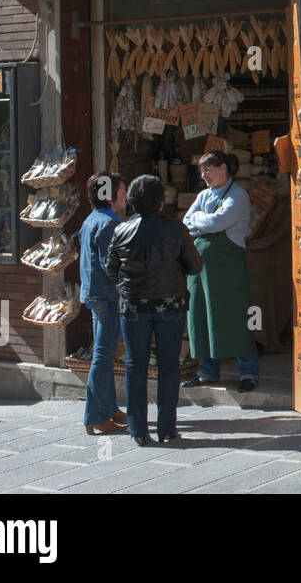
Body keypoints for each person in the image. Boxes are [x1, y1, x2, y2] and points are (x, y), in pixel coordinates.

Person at [106, 175, 203, 446]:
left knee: (135, 365)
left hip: (134, 304)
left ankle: (138, 429)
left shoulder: (121, 231)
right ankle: (167, 428)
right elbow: (195, 267)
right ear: (161, 202)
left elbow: (110, 269)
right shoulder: (176, 230)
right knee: (169, 366)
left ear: (133, 202)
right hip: (170, 305)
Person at [182, 150, 259, 392]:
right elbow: (186, 220)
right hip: (202, 268)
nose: (204, 175)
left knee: (237, 317)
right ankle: (207, 371)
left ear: (223, 168)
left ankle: (248, 373)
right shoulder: (204, 195)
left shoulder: (238, 196)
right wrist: (206, 220)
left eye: (208, 169)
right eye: (201, 171)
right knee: (204, 316)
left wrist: (202, 221)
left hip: (229, 269)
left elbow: (218, 222)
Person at [80, 172, 128, 435]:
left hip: (96, 295)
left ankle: (109, 408)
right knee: (103, 357)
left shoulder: (92, 220)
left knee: (104, 355)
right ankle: (95, 415)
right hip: (108, 297)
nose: (126, 195)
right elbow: (111, 266)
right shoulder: (109, 224)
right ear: (109, 196)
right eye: (122, 191)